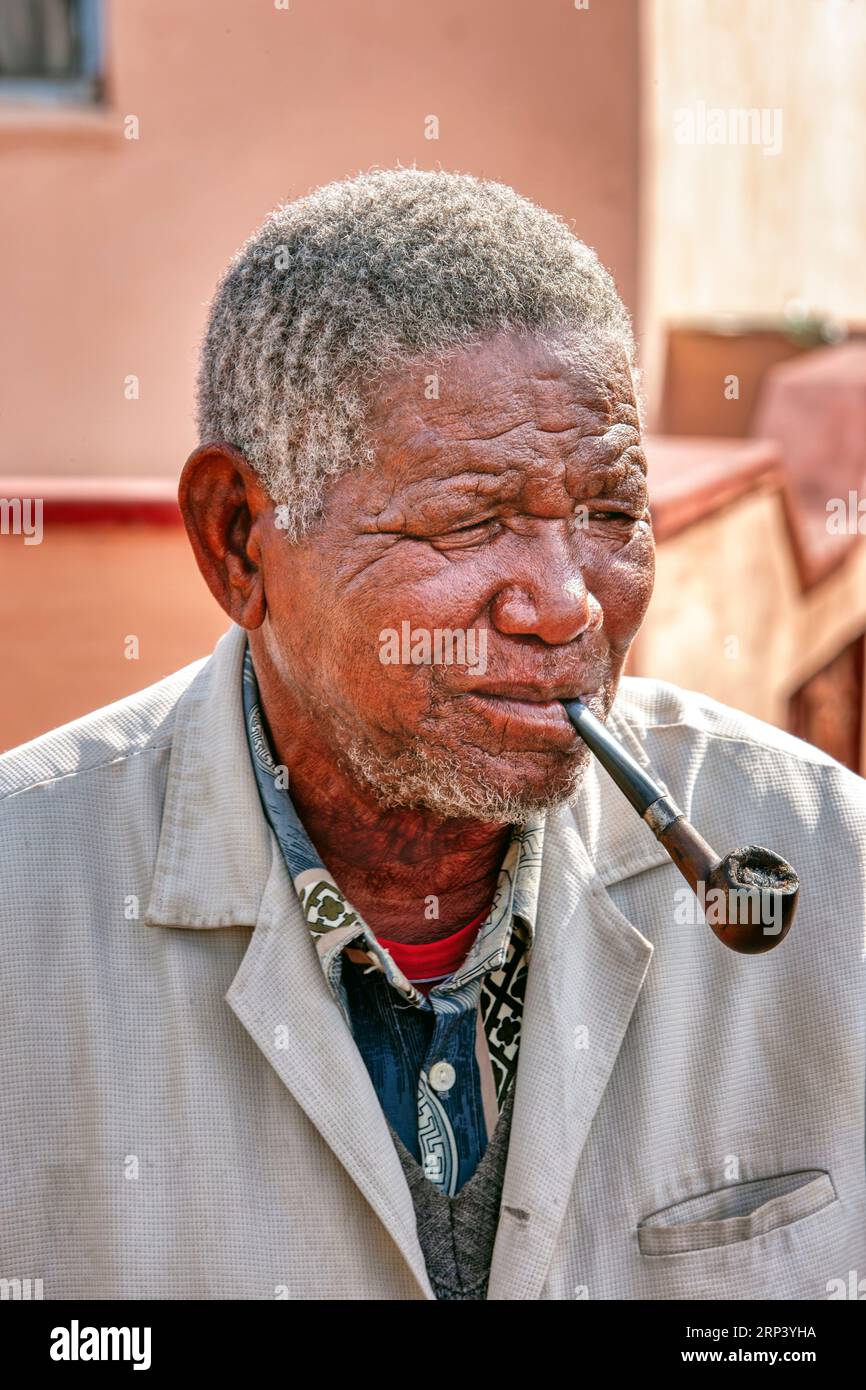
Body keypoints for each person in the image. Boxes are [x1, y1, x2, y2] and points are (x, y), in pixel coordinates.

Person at [1, 169, 864, 1301]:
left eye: (609, 511)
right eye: (468, 519)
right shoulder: (28, 905)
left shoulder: (831, 870)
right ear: (239, 544)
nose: (564, 604)